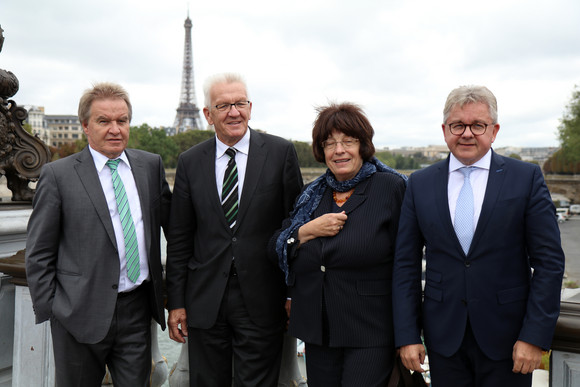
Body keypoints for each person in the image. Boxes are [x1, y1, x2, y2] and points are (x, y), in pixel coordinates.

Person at [393, 85, 565, 386]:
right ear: (445, 129)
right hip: (443, 341)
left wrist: (534, 336)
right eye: (458, 125)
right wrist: (407, 335)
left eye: (478, 125)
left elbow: (549, 263)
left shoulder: (525, 179)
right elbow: (405, 265)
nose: (467, 133)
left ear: (494, 130)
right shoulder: (419, 184)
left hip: (510, 341)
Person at [25, 82, 172, 386]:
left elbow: (176, 229)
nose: (115, 129)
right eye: (104, 121)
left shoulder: (150, 166)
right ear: (86, 126)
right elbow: (38, 253)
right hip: (77, 313)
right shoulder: (58, 175)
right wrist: (55, 310)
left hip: (137, 310)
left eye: (122, 120)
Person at [165, 72, 303, 386]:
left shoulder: (281, 154)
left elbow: (294, 229)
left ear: (250, 107)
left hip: (264, 298)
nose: (234, 112)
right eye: (224, 105)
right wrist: (176, 302)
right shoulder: (189, 162)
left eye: (240, 103)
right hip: (204, 301)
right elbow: (180, 238)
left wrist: (293, 293)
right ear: (207, 115)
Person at [270, 102, 408, 386]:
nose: (339, 150)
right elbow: (277, 246)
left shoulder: (391, 188)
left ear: (363, 145)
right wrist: (306, 231)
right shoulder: (312, 194)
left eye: (348, 141)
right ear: (321, 151)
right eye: (329, 143)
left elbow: (405, 264)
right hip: (318, 329)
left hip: (371, 330)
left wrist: (407, 333)